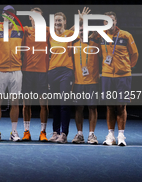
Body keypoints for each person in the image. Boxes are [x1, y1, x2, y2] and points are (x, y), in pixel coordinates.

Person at [0, 3, 23, 142]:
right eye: (6, 14)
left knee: (15, 103)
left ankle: (14, 132)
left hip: (16, 71)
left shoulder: (21, 30)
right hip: (0, 71)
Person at [101, 11, 138, 146]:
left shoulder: (126, 35)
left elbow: (134, 54)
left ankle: (121, 135)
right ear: (104, 23)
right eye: (107, 21)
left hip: (123, 76)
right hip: (107, 75)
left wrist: (125, 67)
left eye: (112, 20)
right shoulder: (101, 36)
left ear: (116, 22)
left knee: (121, 106)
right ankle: (111, 135)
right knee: (110, 106)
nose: (110, 23)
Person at [21, 7, 49, 142]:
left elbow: (64, 34)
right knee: (27, 104)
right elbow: (7, 29)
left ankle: (43, 132)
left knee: (44, 104)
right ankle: (26, 131)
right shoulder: (26, 30)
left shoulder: (48, 30)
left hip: (43, 73)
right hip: (27, 72)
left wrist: (78, 22)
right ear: (30, 18)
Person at [71, 18, 100, 144]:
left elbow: (102, 31)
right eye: (81, 30)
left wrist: (90, 25)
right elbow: (67, 31)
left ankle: (91, 134)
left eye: (85, 30)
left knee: (92, 108)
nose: (83, 32)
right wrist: (79, 20)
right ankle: (79, 134)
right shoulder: (74, 43)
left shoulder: (96, 43)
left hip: (93, 82)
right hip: (78, 82)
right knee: (79, 108)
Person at [48, 12, 75, 144]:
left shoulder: (69, 34)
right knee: (55, 104)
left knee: (64, 104)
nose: (57, 23)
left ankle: (64, 134)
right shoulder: (51, 36)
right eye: (55, 21)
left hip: (66, 71)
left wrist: (81, 19)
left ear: (65, 22)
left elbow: (76, 28)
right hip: (52, 71)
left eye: (60, 20)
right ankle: (55, 132)